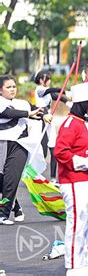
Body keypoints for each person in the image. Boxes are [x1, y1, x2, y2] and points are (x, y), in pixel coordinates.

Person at [54, 82, 88, 275]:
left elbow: (83, 151)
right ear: (83, 103)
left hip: (84, 180)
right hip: (74, 181)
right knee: (76, 224)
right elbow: (61, 153)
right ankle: (74, 267)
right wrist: (87, 163)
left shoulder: (79, 122)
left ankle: (81, 264)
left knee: (85, 224)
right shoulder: (70, 124)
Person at [0, 75, 46, 225]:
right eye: (8, 87)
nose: (12, 89)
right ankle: (16, 205)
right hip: (2, 144)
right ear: (0, 90)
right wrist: (28, 114)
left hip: (20, 144)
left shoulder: (22, 103)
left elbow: (36, 111)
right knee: (3, 179)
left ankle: (3, 214)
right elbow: (7, 113)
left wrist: (45, 116)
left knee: (11, 178)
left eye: (14, 86)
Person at [34, 70, 71, 181]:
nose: (49, 81)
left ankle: (53, 178)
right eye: (48, 79)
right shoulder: (40, 90)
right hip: (41, 119)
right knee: (42, 149)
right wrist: (62, 89)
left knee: (54, 149)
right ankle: (35, 174)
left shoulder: (47, 92)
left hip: (49, 120)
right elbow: (50, 90)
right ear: (41, 80)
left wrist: (68, 102)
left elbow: (56, 96)